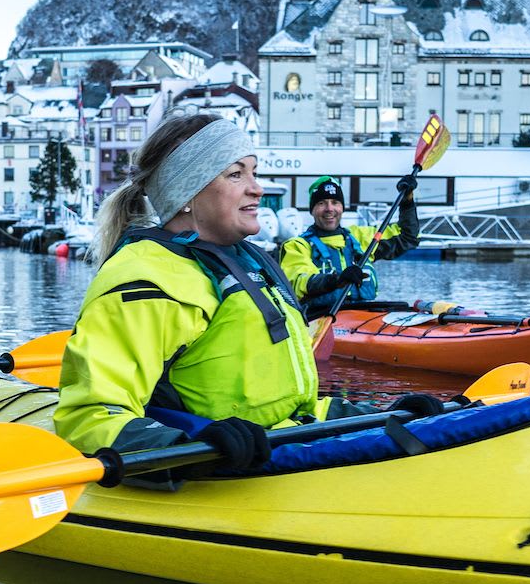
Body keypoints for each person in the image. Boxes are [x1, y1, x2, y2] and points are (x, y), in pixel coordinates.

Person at [55, 114, 440, 471]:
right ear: (186, 192)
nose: (257, 188)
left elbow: (291, 408)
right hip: (223, 469)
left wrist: (382, 415)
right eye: (236, 174)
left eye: (254, 172)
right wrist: (189, 447)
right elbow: (90, 416)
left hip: (283, 451)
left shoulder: (250, 262)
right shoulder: (147, 276)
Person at [278, 174, 422, 320]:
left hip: (362, 318)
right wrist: (336, 280)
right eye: (321, 203)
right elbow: (299, 281)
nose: (329, 209)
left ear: (342, 207)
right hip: (319, 318)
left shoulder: (359, 237)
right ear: (312, 210)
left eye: (335, 202)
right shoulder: (297, 246)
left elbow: (408, 237)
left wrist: (407, 202)